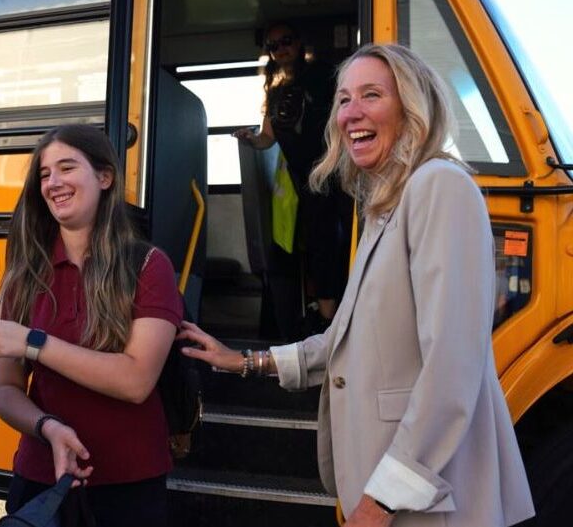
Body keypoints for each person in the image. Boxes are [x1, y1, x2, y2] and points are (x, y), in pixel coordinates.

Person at [180, 43, 535, 527]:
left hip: (427, 496)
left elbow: (453, 365)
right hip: (393, 483)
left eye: (372, 95)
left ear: (413, 108)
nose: (352, 112)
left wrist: (383, 499)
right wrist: (244, 361)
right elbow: (344, 340)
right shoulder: (384, 204)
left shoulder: (439, 186)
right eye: (344, 99)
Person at [0, 125, 183, 527]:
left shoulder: (148, 265)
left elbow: (136, 380)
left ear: (105, 177)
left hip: (129, 485)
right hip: (42, 481)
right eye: (45, 174)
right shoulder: (23, 274)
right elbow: (5, 390)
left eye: (67, 168)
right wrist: (48, 428)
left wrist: (33, 342)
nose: (54, 183)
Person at [235, 22, 353, 337]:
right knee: (318, 248)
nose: (281, 48)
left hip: (339, 174)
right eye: (274, 45)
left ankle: (348, 313)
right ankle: (328, 322)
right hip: (306, 183)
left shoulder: (324, 74)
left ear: (299, 42)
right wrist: (250, 140)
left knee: (345, 240)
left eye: (286, 40)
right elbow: (267, 139)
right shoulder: (274, 94)